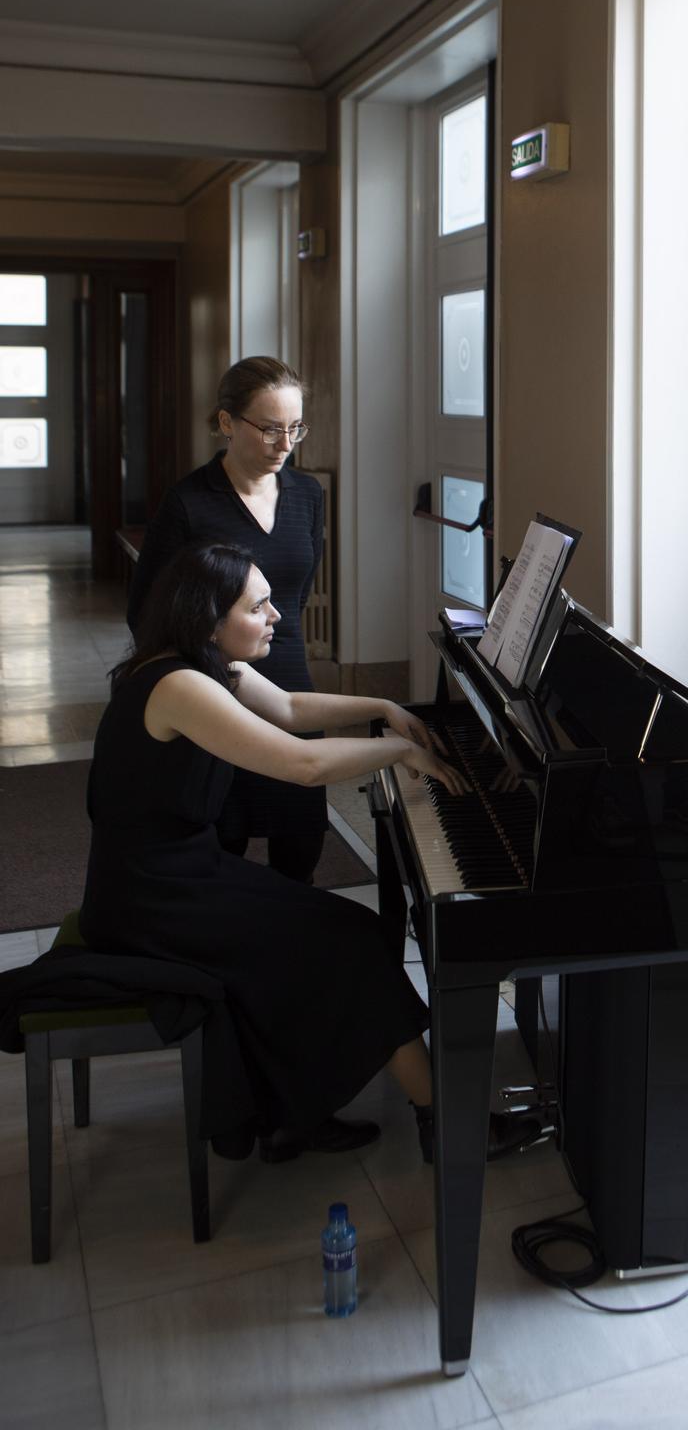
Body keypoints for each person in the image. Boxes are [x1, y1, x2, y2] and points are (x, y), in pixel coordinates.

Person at [82, 542, 532, 1163]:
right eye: (259, 605)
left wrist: (384, 708)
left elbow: (292, 710)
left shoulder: (205, 665)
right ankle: (452, 1126)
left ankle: (299, 1107)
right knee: (346, 939)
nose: (277, 617)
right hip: (150, 901)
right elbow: (302, 763)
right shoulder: (180, 685)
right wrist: (398, 752)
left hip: (180, 875)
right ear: (208, 617)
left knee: (349, 930)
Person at [128, 358, 327, 882]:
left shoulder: (308, 496)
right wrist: (216, 672)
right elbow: (146, 612)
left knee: (300, 845)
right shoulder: (189, 503)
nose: (285, 443)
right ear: (225, 422)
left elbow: (296, 595)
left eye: (295, 428)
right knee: (222, 847)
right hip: (218, 687)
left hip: (287, 671)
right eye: (269, 428)